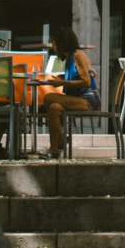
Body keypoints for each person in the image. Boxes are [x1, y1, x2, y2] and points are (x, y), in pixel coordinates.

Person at [39, 27, 100, 159]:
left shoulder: (77, 55)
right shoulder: (69, 58)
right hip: (77, 98)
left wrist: (62, 83)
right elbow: (81, 74)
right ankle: (54, 150)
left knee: (49, 98)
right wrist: (63, 77)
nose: (53, 46)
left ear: (62, 42)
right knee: (54, 108)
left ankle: (59, 141)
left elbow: (86, 82)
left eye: (54, 42)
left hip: (89, 100)